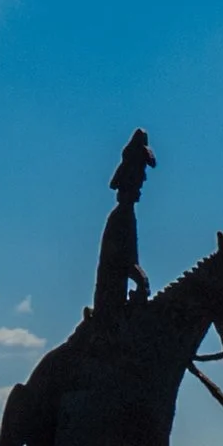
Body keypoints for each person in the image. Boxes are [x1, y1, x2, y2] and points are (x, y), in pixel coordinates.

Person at [91, 128, 156, 319]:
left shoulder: (126, 216)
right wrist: (141, 279)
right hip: (110, 303)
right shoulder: (121, 218)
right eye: (139, 174)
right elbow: (123, 260)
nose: (143, 180)